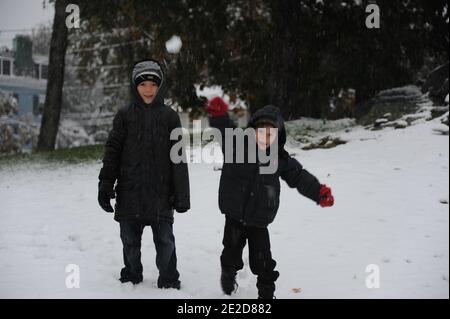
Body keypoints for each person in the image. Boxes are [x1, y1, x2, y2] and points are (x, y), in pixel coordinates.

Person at [212, 104, 334, 299]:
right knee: (230, 253)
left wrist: (319, 192)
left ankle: (266, 294)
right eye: (261, 132)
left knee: (264, 262)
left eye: (270, 134)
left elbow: (299, 176)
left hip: (259, 220)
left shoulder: (279, 158)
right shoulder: (236, 145)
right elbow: (225, 129)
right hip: (234, 216)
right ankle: (228, 273)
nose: (264, 138)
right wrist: (218, 115)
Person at [97, 59, 190, 289]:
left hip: (161, 195)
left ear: (160, 87)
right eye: (143, 84)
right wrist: (105, 184)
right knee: (129, 242)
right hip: (130, 194)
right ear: (134, 87)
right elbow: (113, 152)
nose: (148, 90)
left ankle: (168, 278)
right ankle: (131, 273)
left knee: (166, 242)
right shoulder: (124, 116)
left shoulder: (170, 117)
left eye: (153, 84)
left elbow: (178, 160)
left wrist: (182, 195)